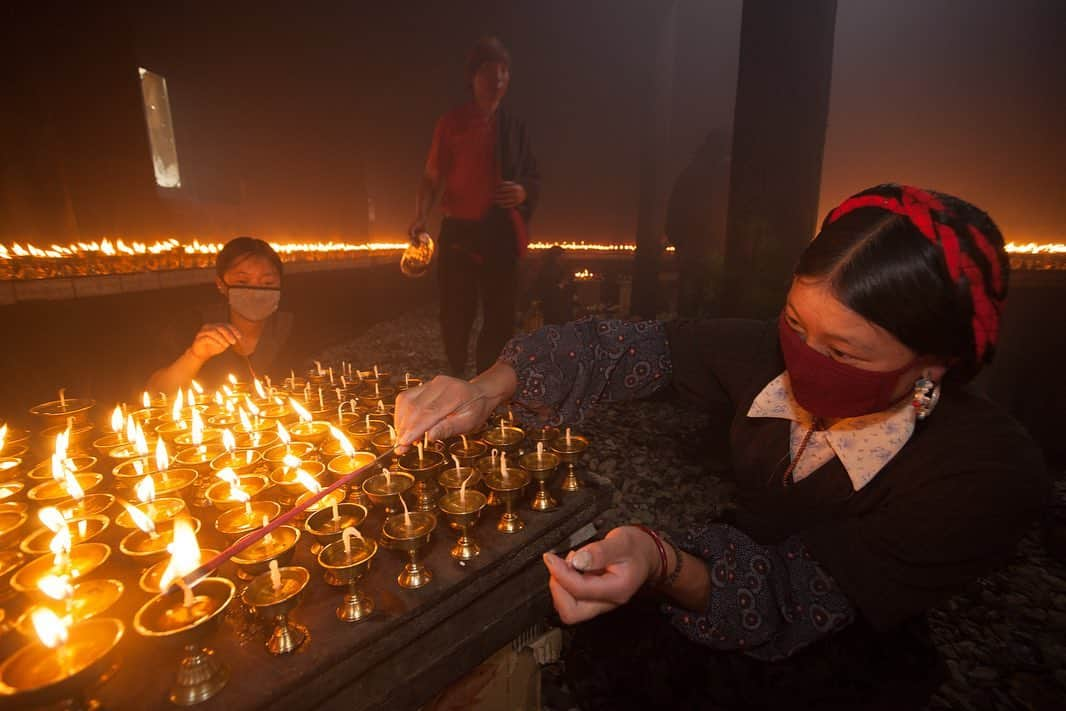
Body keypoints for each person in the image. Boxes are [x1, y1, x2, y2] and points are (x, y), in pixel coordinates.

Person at [395, 184, 1049, 709]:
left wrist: (659, 559)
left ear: (932, 365)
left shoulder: (984, 472)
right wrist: (486, 387)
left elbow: (796, 594)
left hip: (845, 649)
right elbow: (619, 346)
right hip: (710, 583)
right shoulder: (763, 353)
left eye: (843, 351)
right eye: (796, 323)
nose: (803, 358)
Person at [409, 36, 540, 378]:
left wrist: (522, 192)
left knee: (500, 313)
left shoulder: (515, 128)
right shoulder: (452, 123)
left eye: (504, 71)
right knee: (455, 311)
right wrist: (420, 216)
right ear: (472, 77)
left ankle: (485, 380)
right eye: (488, 71)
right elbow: (430, 176)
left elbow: (532, 176)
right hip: (459, 232)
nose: (497, 78)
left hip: (500, 232)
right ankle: (454, 371)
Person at [147, 237, 294, 394]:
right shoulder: (190, 325)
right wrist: (195, 356)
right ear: (221, 284)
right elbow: (156, 394)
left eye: (267, 283)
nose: (255, 293)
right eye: (243, 282)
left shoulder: (296, 330)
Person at [664, 129, 729, 317]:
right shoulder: (720, 177)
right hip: (707, 249)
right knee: (707, 299)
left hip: (692, 249)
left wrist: (679, 242)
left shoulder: (689, 175)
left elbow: (674, 215)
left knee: (690, 298)